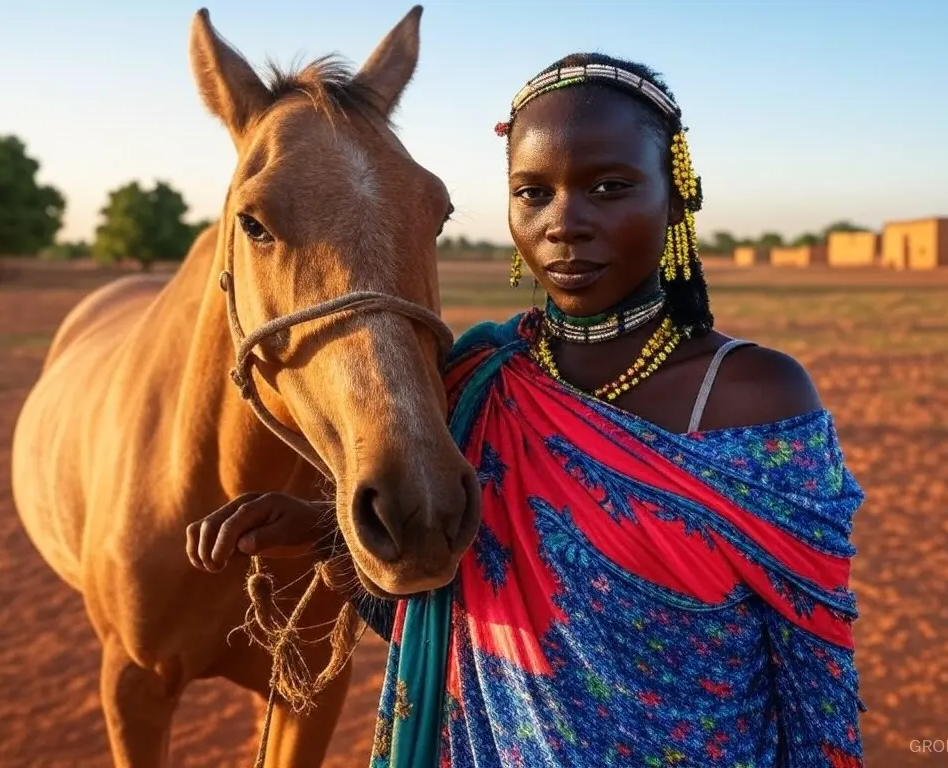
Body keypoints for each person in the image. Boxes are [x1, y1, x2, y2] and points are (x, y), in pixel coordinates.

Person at [189, 52, 866, 768]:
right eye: (533, 193)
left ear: (675, 198)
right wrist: (332, 535)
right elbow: (453, 627)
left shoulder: (757, 397)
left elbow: (814, 674)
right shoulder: (479, 384)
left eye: (609, 187)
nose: (564, 223)